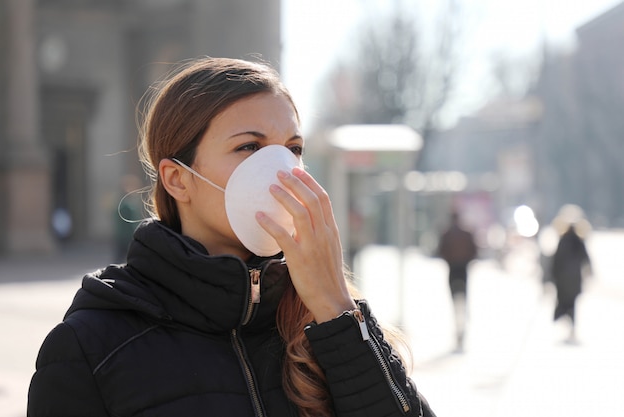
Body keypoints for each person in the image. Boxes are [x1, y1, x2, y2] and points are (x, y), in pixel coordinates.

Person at [27, 57, 436, 417]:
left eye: (292, 149)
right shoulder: (90, 347)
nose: (282, 170)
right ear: (177, 179)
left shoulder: (326, 316)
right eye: (249, 147)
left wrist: (338, 313)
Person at [437, 210, 478, 351]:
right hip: (463, 269)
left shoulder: (447, 234)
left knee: (455, 301)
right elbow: (475, 251)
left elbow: (440, 251)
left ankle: (458, 327)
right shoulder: (466, 234)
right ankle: (462, 327)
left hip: (453, 269)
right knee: (463, 300)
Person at [551, 222, 591, 343]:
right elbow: (586, 258)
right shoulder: (579, 241)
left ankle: (567, 324)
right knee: (572, 305)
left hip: (563, 281)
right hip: (574, 281)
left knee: (564, 303)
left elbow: (556, 261)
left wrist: (552, 277)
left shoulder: (563, 241)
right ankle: (570, 327)